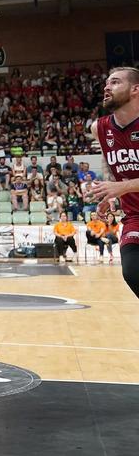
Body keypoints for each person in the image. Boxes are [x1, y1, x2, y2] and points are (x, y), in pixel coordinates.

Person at [89, 67, 139, 298]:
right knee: (132, 271)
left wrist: (123, 187)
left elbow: (123, 183)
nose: (107, 87)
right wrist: (110, 193)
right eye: (107, 83)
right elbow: (110, 164)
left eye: (116, 82)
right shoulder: (99, 128)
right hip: (134, 217)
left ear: (135, 89)